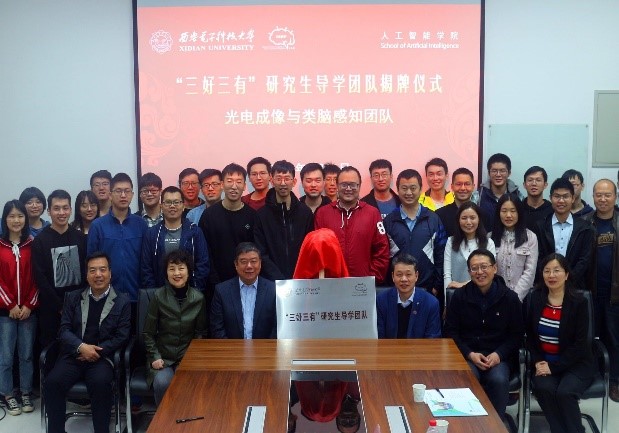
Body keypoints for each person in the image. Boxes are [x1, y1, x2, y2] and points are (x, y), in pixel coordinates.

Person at [43, 252, 131, 433]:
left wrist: (96, 351)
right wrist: (81, 347)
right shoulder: (73, 297)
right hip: (73, 355)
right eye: (93, 270)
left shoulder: (122, 301)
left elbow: (122, 336)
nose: (98, 274)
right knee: (52, 383)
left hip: (102, 357)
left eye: (102, 270)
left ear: (110, 273)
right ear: (86, 275)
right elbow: (63, 330)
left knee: (100, 384)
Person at [444, 249, 524, 421]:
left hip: (498, 357)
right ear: (469, 272)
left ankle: (495, 423)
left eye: (484, 267)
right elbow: (451, 332)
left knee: (498, 380)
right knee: (467, 377)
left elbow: (517, 335)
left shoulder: (510, 298)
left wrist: (499, 354)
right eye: (474, 268)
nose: (479, 272)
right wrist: (469, 354)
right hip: (469, 356)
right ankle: (467, 424)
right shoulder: (459, 296)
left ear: (494, 268)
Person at [523, 253, 594, 433]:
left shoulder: (579, 302)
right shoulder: (535, 298)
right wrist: (538, 361)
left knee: (565, 392)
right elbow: (530, 337)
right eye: (547, 271)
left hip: (575, 364)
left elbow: (580, 344)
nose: (551, 275)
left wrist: (553, 367)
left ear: (567, 274)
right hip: (544, 362)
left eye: (557, 270)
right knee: (543, 388)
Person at [143, 250, 206, 406]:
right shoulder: (158, 296)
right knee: (162, 382)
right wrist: (155, 356)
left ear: (189, 271)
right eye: (172, 269)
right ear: (166, 273)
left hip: (187, 358)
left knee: (188, 381)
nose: (177, 273)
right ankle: (164, 420)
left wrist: (191, 359)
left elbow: (200, 334)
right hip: (162, 358)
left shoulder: (198, 298)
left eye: (181, 268)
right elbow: (148, 333)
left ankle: (186, 419)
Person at [314, 166, 390, 284]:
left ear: (359, 186)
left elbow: (382, 249)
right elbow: (317, 251)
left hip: (363, 285)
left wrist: (371, 279)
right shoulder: (323, 213)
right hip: (331, 285)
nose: (348, 189)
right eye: (344, 184)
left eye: (353, 185)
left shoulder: (372, 213)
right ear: (337, 185)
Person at [32, 190, 87, 347]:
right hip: (50, 310)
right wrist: (60, 306)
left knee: (79, 350)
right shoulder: (40, 241)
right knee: (51, 351)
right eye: (56, 208)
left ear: (70, 210)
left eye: (65, 208)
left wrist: (77, 304)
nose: (61, 212)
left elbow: (85, 272)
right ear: (49, 211)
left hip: (79, 308)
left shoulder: (81, 238)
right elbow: (40, 278)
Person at [0, 200, 39, 416]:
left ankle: (25, 392)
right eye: (12, 216)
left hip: (28, 311)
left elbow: (38, 278)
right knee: (6, 356)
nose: (16, 220)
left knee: (26, 355)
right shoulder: (0, 245)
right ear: (5, 219)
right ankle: (7, 394)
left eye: (20, 216)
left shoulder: (33, 245)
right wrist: (10, 305)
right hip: (5, 312)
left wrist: (29, 305)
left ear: (26, 219)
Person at [383, 169, 446, 300]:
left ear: (420, 189)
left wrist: (436, 286)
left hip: (427, 290)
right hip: (396, 291)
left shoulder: (433, 219)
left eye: (413, 188)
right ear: (398, 189)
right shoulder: (388, 221)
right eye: (404, 188)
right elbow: (383, 257)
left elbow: (441, 254)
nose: (408, 193)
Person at [583, 179, 619, 401]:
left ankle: (614, 381)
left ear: (615, 196)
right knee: (589, 337)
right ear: (593, 196)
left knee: (614, 338)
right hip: (591, 292)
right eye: (599, 195)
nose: (603, 199)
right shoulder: (585, 222)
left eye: (607, 195)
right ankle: (593, 376)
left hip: (615, 293)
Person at [87, 172, 148, 303]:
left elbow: (146, 262)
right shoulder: (98, 226)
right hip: (106, 297)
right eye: (118, 191)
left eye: (127, 191)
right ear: (110, 195)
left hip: (137, 296)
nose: (123, 195)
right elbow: (90, 262)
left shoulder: (141, 224)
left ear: (132, 194)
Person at [141, 186, 210, 293]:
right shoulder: (152, 234)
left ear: (183, 206)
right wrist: (154, 294)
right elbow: (146, 268)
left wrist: (195, 291)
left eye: (176, 202)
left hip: (190, 295)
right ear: (161, 206)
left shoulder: (195, 232)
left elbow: (203, 264)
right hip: (159, 295)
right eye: (168, 202)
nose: (172, 206)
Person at [254, 160, 314, 280]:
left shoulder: (305, 213)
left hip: (301, 279)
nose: (283, 183)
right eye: (278, 179)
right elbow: (261, 252)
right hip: (271, 281)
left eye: (287, 179)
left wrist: (300, 275)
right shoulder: (261, 215)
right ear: (272, 181)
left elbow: (310, 249)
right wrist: (278, 279)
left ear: (294, 182)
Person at [199, 163, 256, 287]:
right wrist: (214, 281)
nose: (234, 186)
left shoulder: (252, 216)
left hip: (245, 282)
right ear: (222, 184)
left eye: (239, 182)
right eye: (229, 181)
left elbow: (255, 252)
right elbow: (203, 251)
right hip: (215, 283)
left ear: (244, 186)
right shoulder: (208, 216)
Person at [535, 178, 594, 290]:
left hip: (575, 287)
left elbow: (584, 260)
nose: (561, 201)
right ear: (550, 198)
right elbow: (539, 257)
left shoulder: (585, 227)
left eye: (565, 196)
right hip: (546, 286)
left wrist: (568, 280)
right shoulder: (541, 226)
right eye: (557, 196)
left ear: (573, 198)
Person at [210, 242, 277, 339]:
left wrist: (265, 347)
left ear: (260, 263)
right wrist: (231, 348)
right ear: (236, 265)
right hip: (231, 348)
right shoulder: (222, 291)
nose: (249, 266)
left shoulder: (273, 290)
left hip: (264, 348)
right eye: (244, 261)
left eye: (253, 261)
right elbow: (217, 328)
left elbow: (277, 327)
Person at [376, 254, 441, 338]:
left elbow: (433, 339)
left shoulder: (431, 303)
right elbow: (379, 337)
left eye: (408, 274)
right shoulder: (381, 300)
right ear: (393, 276)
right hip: (390, 346)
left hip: (420, 347)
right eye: (399, 274)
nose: (404, 279)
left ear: (416, 276)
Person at [490, 193, 538, 301]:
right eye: (504, 211)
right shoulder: (490, 238)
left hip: (522, 299)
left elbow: (529, 272)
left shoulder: (530, 237)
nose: (508, 215)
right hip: (495, 298)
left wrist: (514, 298)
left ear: (519, 213)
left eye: (513, 211)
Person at [444, 202, 496, 290]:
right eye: (464, 218)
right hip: (457, 295)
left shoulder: (488, 243)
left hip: (482, 294)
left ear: (479, 219)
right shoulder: (450, 242)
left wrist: (463, 285)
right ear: (458, 220)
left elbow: (491, 274)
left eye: (472, 218)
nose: (468, 222)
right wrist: (448, 295)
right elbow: (447, 275)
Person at [475, 153, 523, 232]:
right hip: (485, 239)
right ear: (489, 173)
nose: (498, 174)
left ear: (509, 173)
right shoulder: (478, 196)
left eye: (502, 171)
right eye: (494, 171)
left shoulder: (518, 196)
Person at [436, 167, 476, 237]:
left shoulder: (481, 214)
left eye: (467, 184)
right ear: (452, 187)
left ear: (473, 187)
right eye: (458, 184)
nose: (463, 188)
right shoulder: (439, 215)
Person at [522, 166, 553, 232]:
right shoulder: (518, 209)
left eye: (538, 180)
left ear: (545, 185)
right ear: (524, 185)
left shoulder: (552, 210)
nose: (534, 184)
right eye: (530, 180)